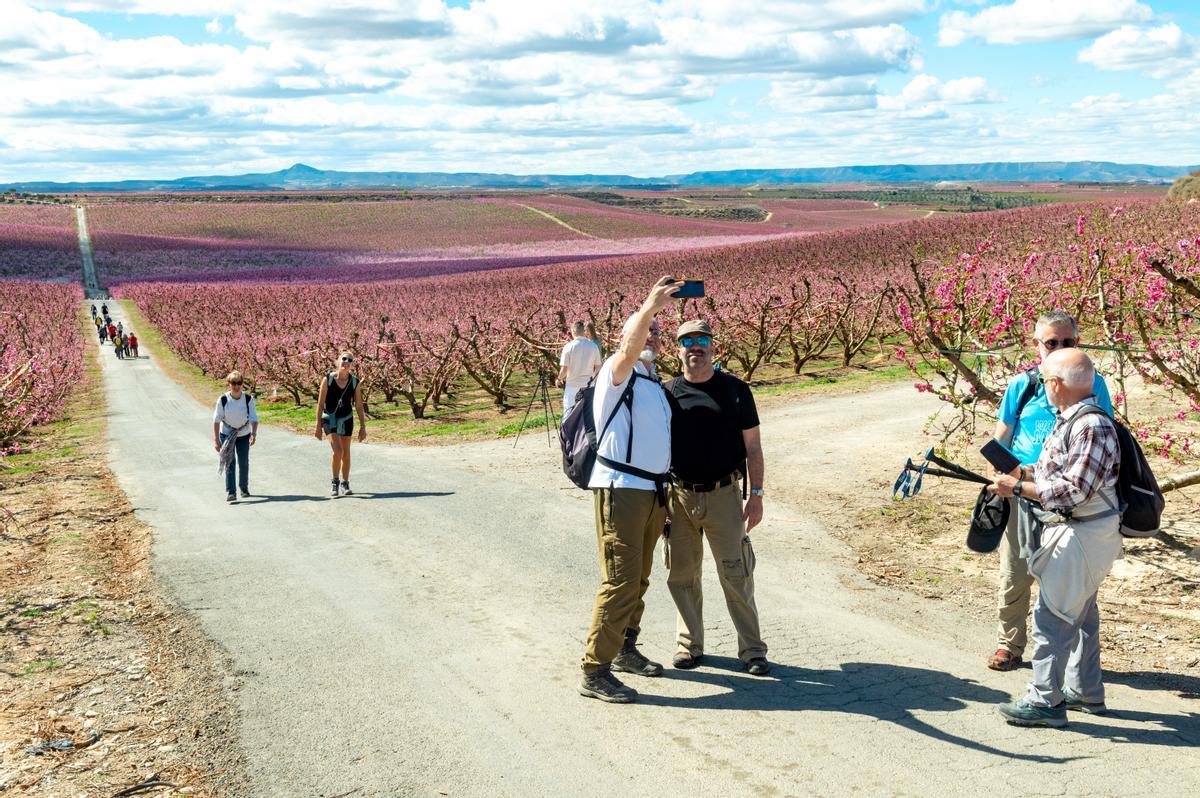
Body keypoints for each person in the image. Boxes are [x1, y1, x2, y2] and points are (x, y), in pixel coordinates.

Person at [988, 348, 1122, 727]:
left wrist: (1018, 489)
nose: (1044, 385)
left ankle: (1045, 701)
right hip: (1080, 532)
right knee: (1080, 616)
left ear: (1056, 384)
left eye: (1047, 379)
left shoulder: (1090, 426)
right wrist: (1023, 472)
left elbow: (1076, 489)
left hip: (1082, 533)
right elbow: (1058, 470)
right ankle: (1085, 692)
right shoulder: (1074, 420)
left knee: (1051, 619)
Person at [578, 276, 680, 704]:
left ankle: (624, 647)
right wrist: (649, 308)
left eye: (657, 329)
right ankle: (594, 669)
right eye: (644, 328)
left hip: (652, 492)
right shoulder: (615, 374)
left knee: (639, 577)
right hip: (620, 490)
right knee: (620, 580)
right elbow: (629, 347)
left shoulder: (654, 384)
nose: (653, 332)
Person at [664, 320, 770, 676]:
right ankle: (688, 645)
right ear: (677, 350)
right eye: (687, 341)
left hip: (724, 495)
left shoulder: (736, 390)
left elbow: (753, 447)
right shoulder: (666, 393)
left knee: (736, 573)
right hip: (679, 496)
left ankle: (752, 650)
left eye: (702, 340)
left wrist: (755, 496)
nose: (695, 346)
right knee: (682, 575)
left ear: (714, 348)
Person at [315, 352, 367, 498]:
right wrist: (318, 425)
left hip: (346, 419)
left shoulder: (355, 382)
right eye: (344, 359)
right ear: (338, 361)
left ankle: (345, 482)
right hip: (329, 419)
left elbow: (358, 405)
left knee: (346, 453)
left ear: (352, 364)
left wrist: (363, 427)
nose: (346, 362)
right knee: (338, 451)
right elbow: (320, 404)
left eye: (350, 360)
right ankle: (335, 481)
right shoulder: (328, 380)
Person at [213, 371, 259, 502]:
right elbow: (216, 421)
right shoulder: (223, 400)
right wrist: (216, 440)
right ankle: (231, 492)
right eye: (234, 383)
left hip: (243, 434)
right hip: (227, 434)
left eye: (239, 383)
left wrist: (254, 434)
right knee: (230, 462)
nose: (237, 386)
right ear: (229, 384)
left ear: (242, 384)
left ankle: (244, 488)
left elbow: (254, 419)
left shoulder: (248, 399)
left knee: (243, 462)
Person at [557, 320, 602, 414]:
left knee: (569, 414)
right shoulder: (593, 346)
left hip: (572, 386)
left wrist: (559, 379)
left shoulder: (568, 347)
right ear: (584, 331)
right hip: (588, 386)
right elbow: (598, 367)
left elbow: (564, 369)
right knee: (587, 415)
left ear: (573, 331)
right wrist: (593, 381)